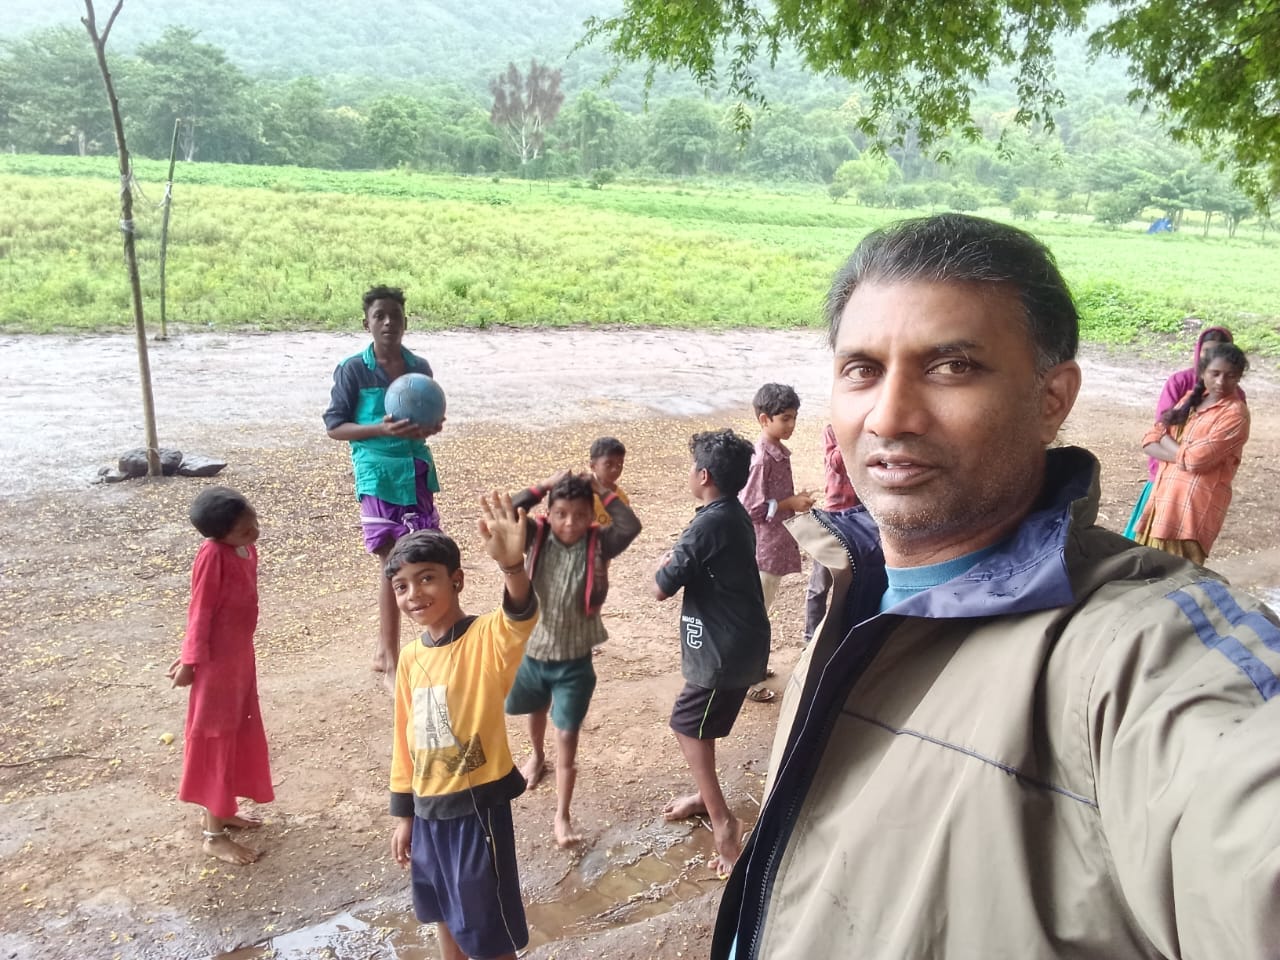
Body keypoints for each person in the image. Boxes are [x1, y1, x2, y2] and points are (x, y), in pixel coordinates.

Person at [713, 213, 1280, 959]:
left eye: (952, 367)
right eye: (863, 370)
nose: (890, 416)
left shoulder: (1136, 657)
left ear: (1052, 399)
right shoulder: (859, 582)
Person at [388, 494, 538, 960]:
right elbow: (404, 736)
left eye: (426, 578)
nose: (414, 595)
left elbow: (520, 616)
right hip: (427, 813)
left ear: (457, 580)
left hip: (477, 812)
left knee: (486, 928)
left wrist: (512, 566)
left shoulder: (484, 637)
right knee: (441, 909)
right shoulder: (411, 657)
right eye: (401, 586)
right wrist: (405, 814)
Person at [652, 428, 770, 876]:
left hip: (725, 650)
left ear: (703, 475)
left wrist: (660, 566)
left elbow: (660, 587)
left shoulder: (708, 524)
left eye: (691, 467)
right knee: (700, 724)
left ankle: (724, 823)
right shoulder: (730, 513)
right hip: (735, 641)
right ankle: (706, 798)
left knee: (686, 724)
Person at [505, 471, 641, 846]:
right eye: (561, 514)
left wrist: (600, 489)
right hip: (534, 651)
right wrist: (544, 486)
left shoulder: (599, 543)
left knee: (566, 733)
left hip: (575, 662)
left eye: (580, 515)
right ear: (548, 514)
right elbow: (510, 510)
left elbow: (630, 525)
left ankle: (562, 815)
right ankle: (536, 757)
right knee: (535, 710)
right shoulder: (535, 536)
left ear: (592, 516)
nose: (570, 523)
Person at [323, 286, 445, 692]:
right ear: (367, 323)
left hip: (416, 469)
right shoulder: (352, 370)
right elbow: (335, 427)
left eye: (395, 315)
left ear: (405, 321)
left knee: (425, 556)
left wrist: (431, 426)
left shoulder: (419, 367)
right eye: (380, 316)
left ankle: (421, 648)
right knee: (391, 562)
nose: (388, 322)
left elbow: (428, 420)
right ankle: (391, 661)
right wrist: (381, 429)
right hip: (376, 473)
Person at [168, 486, 273, 865]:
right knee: (216, 738)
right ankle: (213, 837)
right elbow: (201, 609)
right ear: (219, 535)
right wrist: (190, 661)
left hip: (239, 658)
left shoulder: (245, 549)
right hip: (217, 666)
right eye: (244, 530)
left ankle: (222, 809)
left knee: (237, 732)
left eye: (254, 522)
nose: (254, 532)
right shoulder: (213, 555)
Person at [1123, 324, 1243, 539]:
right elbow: (1155, 433)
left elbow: (1201, 457)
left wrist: (1178, 453)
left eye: (1228, 374)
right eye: (1207, 352)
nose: (1220, 380)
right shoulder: (1183, 385)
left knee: (1171, 551)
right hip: (1163, 479)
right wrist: (1186, 458)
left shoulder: (1235, 407)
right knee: (1144, 544)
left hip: (1196, 496)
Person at [739, 383, 814, 702]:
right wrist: (789, 503)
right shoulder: (761, 458)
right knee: (755, 617)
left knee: (760, 612)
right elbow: (750, 507)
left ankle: (753, 667)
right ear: (764, 419)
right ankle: (749, 680)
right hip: (763, 549)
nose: (791, 425)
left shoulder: (776, 452)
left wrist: (792, 501)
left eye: (794, 417)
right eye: (785, 419)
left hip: (773, 545)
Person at [802, 423, 859, 643]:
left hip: (860, 517)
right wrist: (850, 431)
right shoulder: (833, 430)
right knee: (819, 585)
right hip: (833, 518)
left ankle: (844, 636)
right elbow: (836, 463)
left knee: (855, 584)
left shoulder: (867, 429)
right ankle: (810, 640)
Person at [588, 436, 630, 526]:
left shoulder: (621, 499)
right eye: (608, 464)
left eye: (619, 464)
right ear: (593, 466)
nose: (615, 469)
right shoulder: (581, 495)